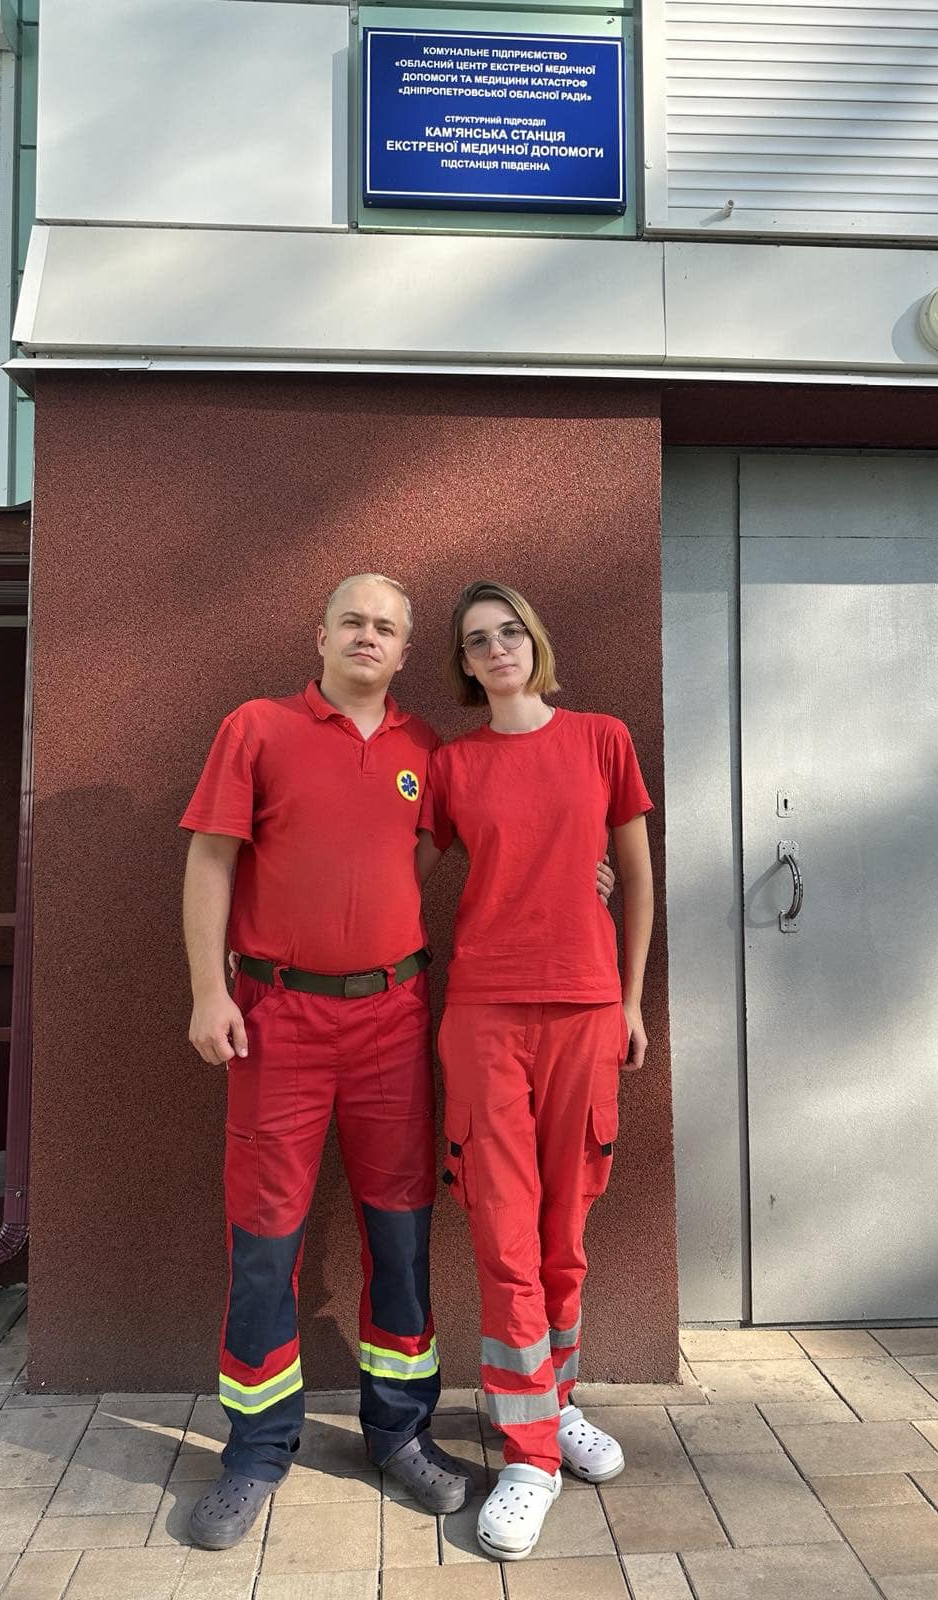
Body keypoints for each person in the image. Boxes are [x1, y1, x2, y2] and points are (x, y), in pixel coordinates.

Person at [179, 573, 614, 1551]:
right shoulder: (256, 727)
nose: (367, 636)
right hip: (278, 1016)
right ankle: (256, 1449)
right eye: (352, 622)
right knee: (266, 1237)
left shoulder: (429, 751)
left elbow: (489, 840)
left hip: (394, 1014)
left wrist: (579, 870)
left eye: (385, 626)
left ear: (409, 650)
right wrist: (210, 989)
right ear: (321, 634)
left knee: (401, 1234)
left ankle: (400, 1433)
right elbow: (209, 860)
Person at [418, 579, 654, 1562]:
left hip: (587, 1010)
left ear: (536, 642)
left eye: (510, 632)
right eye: (478, 641)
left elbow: (633, 873)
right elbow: (391, 870)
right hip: (485, 1017)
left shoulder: (603, 740)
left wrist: (630, 1000)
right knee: (505, 1233)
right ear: (465, 666)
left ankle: (552, 1403)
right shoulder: (451, 764)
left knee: (565, 1235)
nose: (498, 649)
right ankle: (528, 1458)